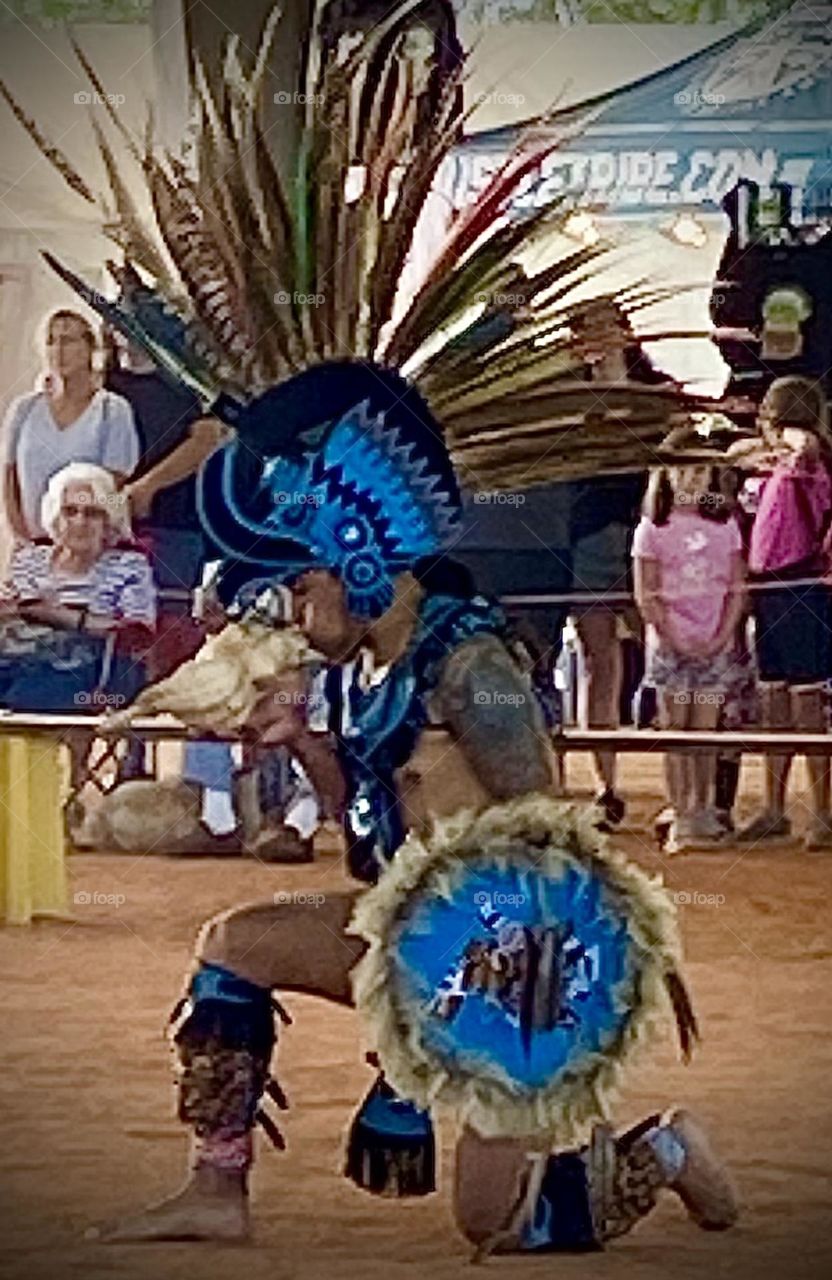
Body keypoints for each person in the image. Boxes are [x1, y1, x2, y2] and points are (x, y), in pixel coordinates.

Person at [89, 361, 737, 1253]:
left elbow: (552, 820)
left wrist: (517, 992)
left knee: (499, 1224)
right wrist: (306, 743)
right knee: (232, 946)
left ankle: (663, 1151)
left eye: (304, 589)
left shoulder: (474, 668)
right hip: (404, 926)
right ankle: (215, 1188)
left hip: (508, 956)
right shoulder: (364, 670)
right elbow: (366, 830)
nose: (296, 615)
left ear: (360, 559)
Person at [0, 462, 156, 791]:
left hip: (99, 670)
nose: (80, 522)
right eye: (70, 511)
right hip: (20, 658)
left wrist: (57, 615)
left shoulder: (128, 565)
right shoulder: (30, 559)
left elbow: (135, 631)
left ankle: (58, 789)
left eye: (93, 513)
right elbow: (9, 609)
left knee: (43, 684)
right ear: (56, 515)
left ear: (109, 519)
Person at [633, 441, 746, 854]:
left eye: (701, 473)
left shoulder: (725, 525)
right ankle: (680, 812)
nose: (692, 481)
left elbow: (736, 587)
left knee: (705, 733)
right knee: (677, 732)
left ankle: (703, 811)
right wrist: (674, 638)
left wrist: (721, 635)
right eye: (684, 472)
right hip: (670, 646)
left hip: (714, 643)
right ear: (666, 476)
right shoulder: (652, 529)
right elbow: (646, 594)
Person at [735, 376, 832, 850]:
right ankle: (773, 809)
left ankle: (823, 813)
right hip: (769, 589)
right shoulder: (776, 468)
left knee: (806, 698)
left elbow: (805, 443)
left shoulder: (808, 462)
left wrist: (788, 433)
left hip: (801, 586)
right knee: (774, 697)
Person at [3, 310, 139, 540]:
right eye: (51, 342)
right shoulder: (24, 409)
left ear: (89, 349)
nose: (58, 351)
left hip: (91, 546)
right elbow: (9, 482)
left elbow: (113, 489)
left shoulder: (111, 410)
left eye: (67, 341)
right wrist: (23, 541)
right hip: (32, 543)